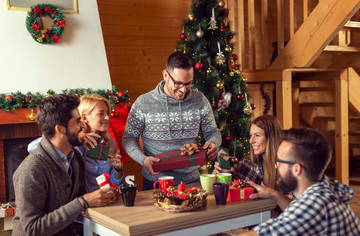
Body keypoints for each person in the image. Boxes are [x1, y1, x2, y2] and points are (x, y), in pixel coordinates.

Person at [12, 94, 117, 236]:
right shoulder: (31, 170)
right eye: (77, 121)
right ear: (60, 129)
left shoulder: (75, 158)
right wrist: (83, 202)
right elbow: (32, 229)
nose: (82, 126)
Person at [232, 128, 360, 236]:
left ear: (296, 169)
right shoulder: (325, 188)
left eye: (279, 161)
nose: (276, 166)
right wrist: (274, 194)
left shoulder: (314, 207)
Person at [123, 52, 222, 190]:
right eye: (178, 83)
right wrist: (143, 160)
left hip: (192, 181)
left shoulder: (200, 100)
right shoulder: (143, 103)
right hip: (156, 183)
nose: (183, 90)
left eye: (188, 84)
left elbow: (212, 131)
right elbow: (128, 138)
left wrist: (213, 142)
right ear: (165, 75)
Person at [28, 94, 124, 192]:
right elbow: (31, 147)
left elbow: (115, 183)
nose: (108, 117)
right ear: (84, 118)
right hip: (81, 203)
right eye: (101, 113)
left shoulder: (109, 143)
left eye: (108, 113)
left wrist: (118, 169)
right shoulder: (73, 142)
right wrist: (79, 136)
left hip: (106, 200)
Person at [213, 115, 282, 189]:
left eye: (257, 135)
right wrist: (221, 173)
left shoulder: (287, 168)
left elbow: (293, 199)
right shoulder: (246, 164)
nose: (251, 141)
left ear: (271, 138)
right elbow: (228, 182)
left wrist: (273, 194)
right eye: (250, 136)